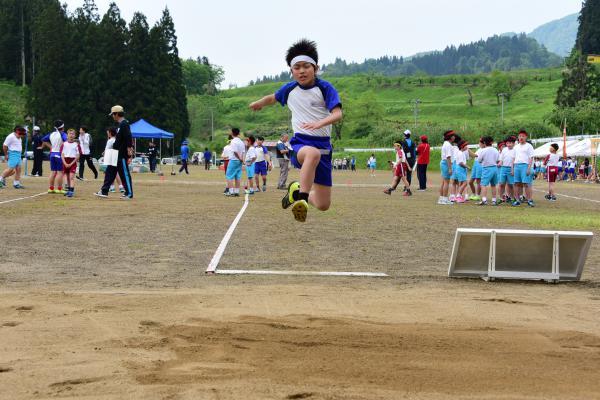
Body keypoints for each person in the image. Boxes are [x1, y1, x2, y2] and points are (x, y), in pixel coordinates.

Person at [249, 39, 342, 222]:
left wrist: (320, 123)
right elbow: (272, 98)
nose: (301, 71)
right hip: (301, 144)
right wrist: (259, 103)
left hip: (324, 147)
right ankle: (302, 199)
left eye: (306, 66)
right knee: (312, 154)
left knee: (323, 205)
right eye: (296, 67)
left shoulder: (325, 88)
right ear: (291, 71)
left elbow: (338, 113)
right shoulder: (290, 89)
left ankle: (296, 190)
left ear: (315, 67)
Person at [96, 105, 134, 199]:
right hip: (115, 153)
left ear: (117, 114)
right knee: (110, 171)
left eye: (113, 114)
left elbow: (128, 137)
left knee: (124, 174)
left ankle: (129, 193)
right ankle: (104, 191)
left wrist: (129, 150)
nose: (113, 116)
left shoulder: (124, 124)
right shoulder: (121, 124)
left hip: (121, 154)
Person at [43, 120, 67, 194]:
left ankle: (51, 188)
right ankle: (59, 189)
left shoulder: (51, 134)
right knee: (60, 172)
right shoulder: (62, 134)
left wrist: (51, 147)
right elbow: (66, 140)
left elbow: (43, 140)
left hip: (52, 154)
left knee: (53, 172)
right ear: (62, 127)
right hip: (59, 154)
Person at [512, 130, 535, 207]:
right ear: (518, 137)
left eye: (523, 136)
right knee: (516, 183)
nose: (521, 137)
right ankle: (517, 200)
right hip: (516, 166)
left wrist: (528, 168)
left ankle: (529, 200)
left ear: (526, 137)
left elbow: (531, 158)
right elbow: (513, 158)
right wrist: (512, 169)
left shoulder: (529, 146)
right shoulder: (515, 147)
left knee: (526, 183)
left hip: (525, 165)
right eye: (520, 136)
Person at [478, 136, 499, 206]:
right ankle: (494, 200)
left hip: (487, 168)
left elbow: (479, 160)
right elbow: (497, 159)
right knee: (493, 185)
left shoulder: (483, 150)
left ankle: (484, 200)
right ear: (491, 142)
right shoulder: (495, 150)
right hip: (495, 168)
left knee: (483, 184)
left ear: (484, 143)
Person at [60, 129, 82, 198]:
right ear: (67, 135)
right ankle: (68, 190)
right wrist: (65, 163)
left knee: (71, 177)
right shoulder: (64, 144)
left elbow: (78, 156)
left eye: (73, 134)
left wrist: (72, 163)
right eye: (70, 134)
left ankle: (72, 191)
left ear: (75, 135)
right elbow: (62, 154)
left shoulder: (76, 145)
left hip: (72, 161)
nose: (71, 135)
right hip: (65, 161)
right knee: (66, 176)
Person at [438, 130, 457, 205]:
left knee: (443, 182)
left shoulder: (445, 143)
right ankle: (445, 199)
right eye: (453, 136)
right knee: (446, 182)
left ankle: (441, 198)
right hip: (446, 163)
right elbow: (448, 157)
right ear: (450, 137)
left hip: (443, 162)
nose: (454, 137)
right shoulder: (448, 145)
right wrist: (450, 168)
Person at [225, 128, 245, 197]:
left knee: (229, 176)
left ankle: (231, 192)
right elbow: (242, 152)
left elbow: (235, 152)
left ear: (232, 133)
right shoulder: (241, 142)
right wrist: (241, 159)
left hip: (233, 160)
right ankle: (237, 191)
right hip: (239, 161)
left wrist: (239, 158)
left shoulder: (233, 141)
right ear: (238, 133)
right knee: (237, 176)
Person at [497, 135, 516, 204]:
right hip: (503, 168)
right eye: (507, 143)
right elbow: (501, 159)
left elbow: (514, 161)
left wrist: (512, 169)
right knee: (501, 183)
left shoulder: (515, 150)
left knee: (511, 184)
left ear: (513, 143)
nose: (509, 144)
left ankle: (512, 198)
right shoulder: (504, 150)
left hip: (511, 168)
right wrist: (499, 163)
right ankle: (501, 198)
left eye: (511, 143)